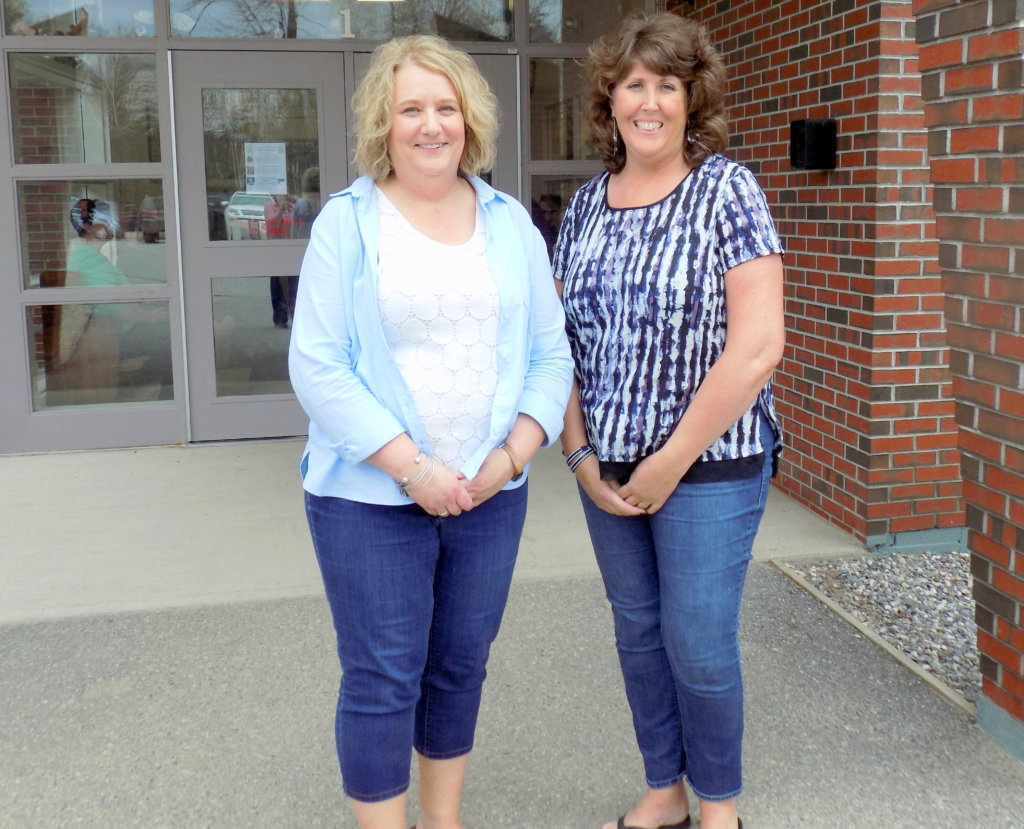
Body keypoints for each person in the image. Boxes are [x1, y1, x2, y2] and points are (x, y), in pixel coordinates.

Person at [288, 34, 573, 829]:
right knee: (383, 676)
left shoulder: (510, 224)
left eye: (445, 107)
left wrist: (511, 456)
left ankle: (443, 819)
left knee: (459, 666)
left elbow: (551, 354)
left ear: (468, 118)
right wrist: (414, 469)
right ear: (383, 122)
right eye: (410, 108)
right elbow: (318, 366)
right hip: (370, 500)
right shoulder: (347, 225)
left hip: (489, 495)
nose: (430, 124)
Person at [553, 13, 785, 829]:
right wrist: (579, 453)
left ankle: (720, 808)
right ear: (610, 99)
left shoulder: (727, 191)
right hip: (606, 469)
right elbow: (556, 344)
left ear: (692, 99)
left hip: (710, 465)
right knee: (640, 637)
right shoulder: (585, 206)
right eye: (633, 84)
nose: (648, 101)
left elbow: (757, 346)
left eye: (666, 85)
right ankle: (665, 791)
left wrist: (669, 461)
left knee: (699, 644)